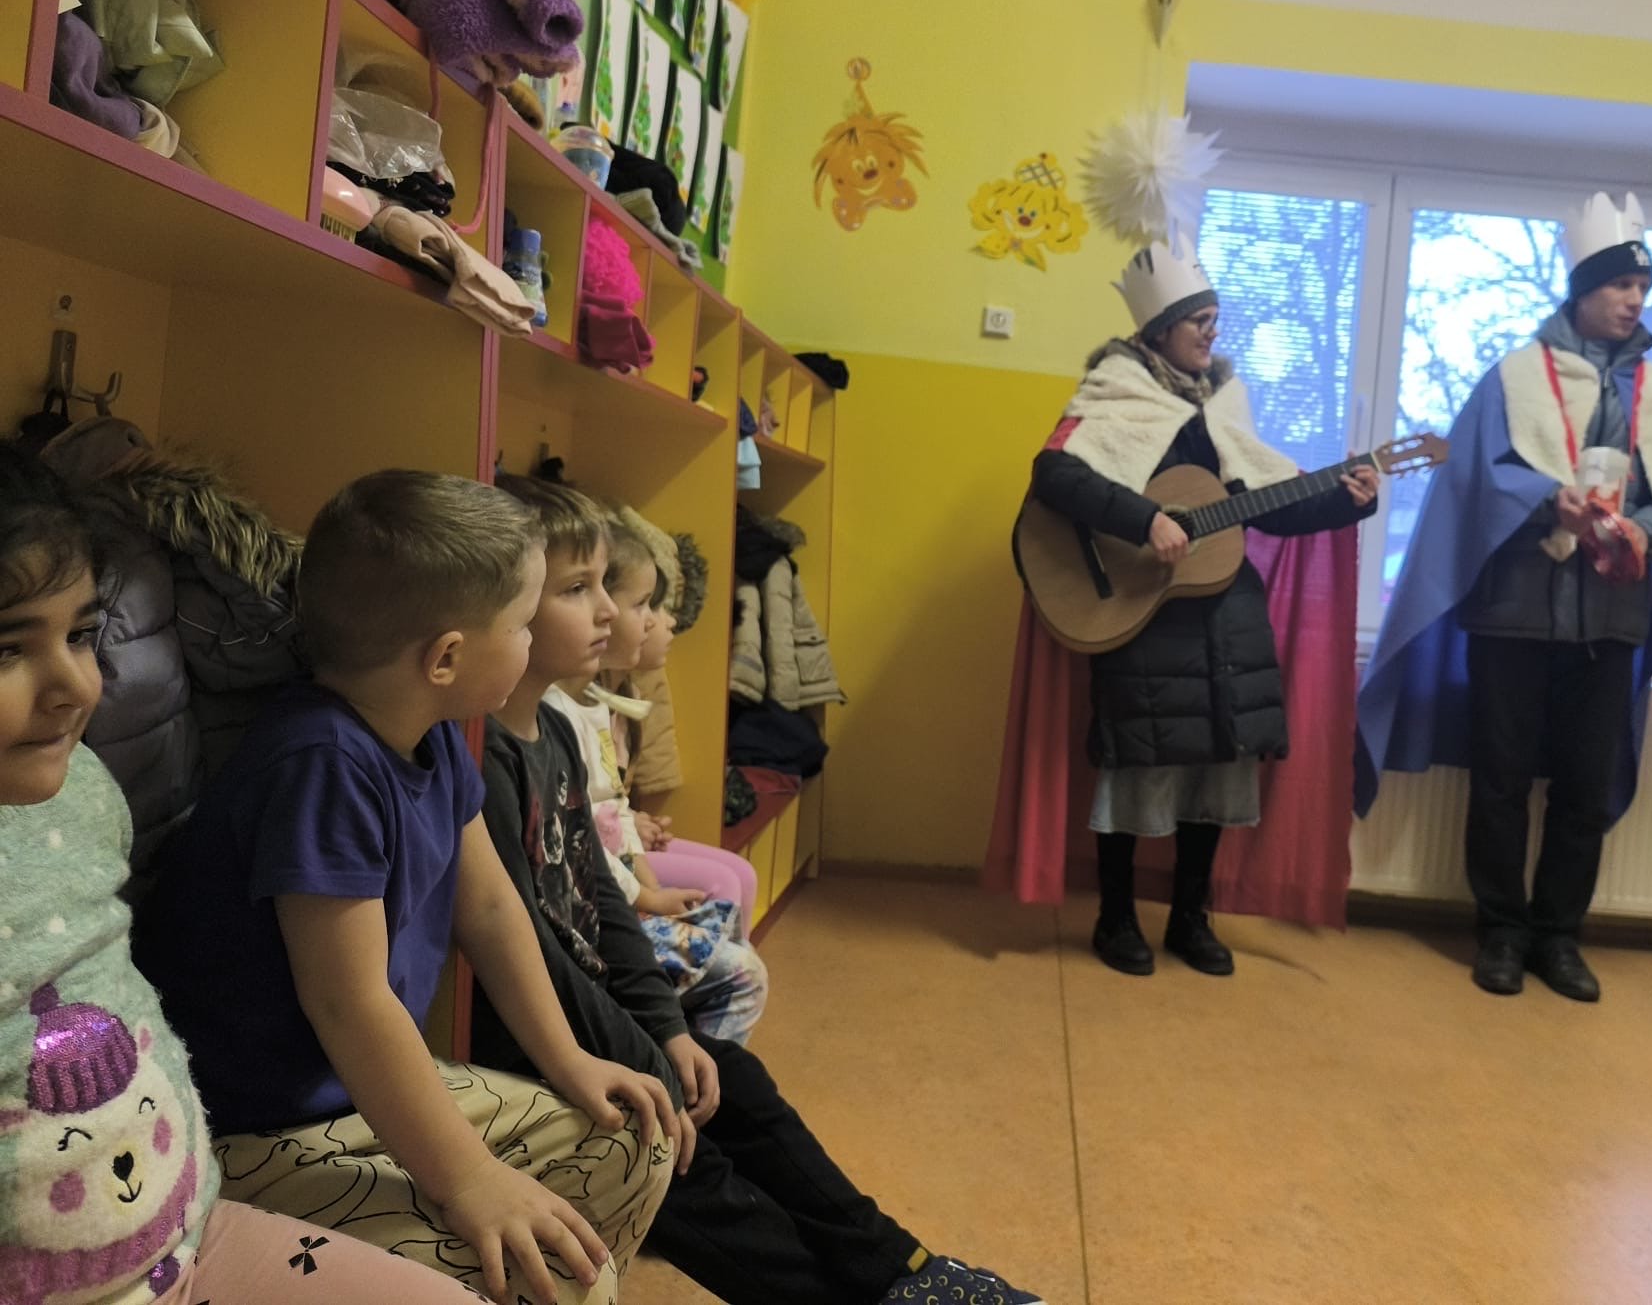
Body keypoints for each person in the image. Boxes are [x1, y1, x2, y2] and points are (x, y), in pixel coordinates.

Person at [479, 475, 1044, 1305]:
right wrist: (649, 1061)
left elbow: (603, 903)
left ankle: (900, 1270)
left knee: (731, 1077)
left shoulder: (555, 732)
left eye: (607, 586)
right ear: (513, 604)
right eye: (577, 589)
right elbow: (530, 954)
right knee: (684, 1159)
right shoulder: (483, 762)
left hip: (595, 1023)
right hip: (534, 1042)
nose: (606, 610)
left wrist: (669, 1032)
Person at [134, 471, 680, 1305]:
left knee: (635, 1137)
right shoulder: (322, 766)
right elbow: (350, 1004)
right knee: (564, 1281)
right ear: (447, 657)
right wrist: (469, 1181)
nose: (530, 641)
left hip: (354, 1096)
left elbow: (490, 909)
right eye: (521, 624)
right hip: (256, 1130)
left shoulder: (430, 734)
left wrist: (568, 1058)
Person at [0, 446, 486, 1305]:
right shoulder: (319, 758)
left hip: (191, 1234)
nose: (77, 685)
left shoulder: (80, 786)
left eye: (79, 634)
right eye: (7, 649)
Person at [1356, 192, 1652, 1002]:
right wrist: (1544, 502)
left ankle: (1559, 937)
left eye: (1644, 287)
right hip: (1514, 616)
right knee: (1500, 779)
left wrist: (1639, 532)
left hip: (1610, 622)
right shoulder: (1513, 379)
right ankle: (1500, 931)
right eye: (1621, 284)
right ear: (1584, 288)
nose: (1635, 299)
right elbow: (1469, 479)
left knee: (1584, 787)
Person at [1027, 240, 1380, 977]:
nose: (1214, 333)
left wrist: (1345, 502)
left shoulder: (1224, 403)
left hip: (1227, 614)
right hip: (1143, 612)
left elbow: (1265, 505)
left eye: (1217, 319)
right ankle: (1116, 917)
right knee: (1138, 762)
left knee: (1222, 758)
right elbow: (1054, 474)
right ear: (1161, 328)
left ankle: (1191, 918)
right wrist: (1143, 520)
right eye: (1201, 320)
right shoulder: (1114, 390)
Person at [539, 502, 767, 1045]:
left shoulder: (594, 703)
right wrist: (646, 899)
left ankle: (687, 1045)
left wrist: (647, 886)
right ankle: (691, 1061)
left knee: (727, 900)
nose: (654, 620)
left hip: (613, 894)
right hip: (594, 920)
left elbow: (611, 809)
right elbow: (581, 845)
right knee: (740, 962)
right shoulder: (557, 714)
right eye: (643, 603)